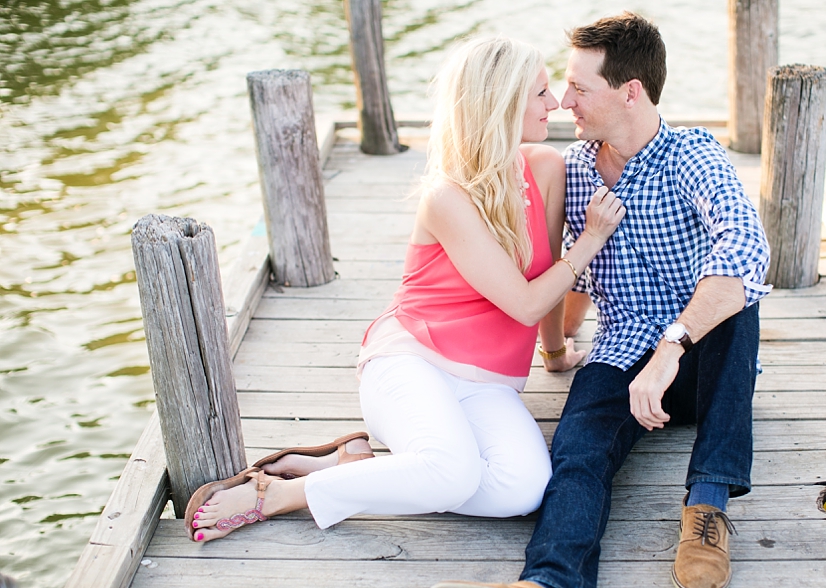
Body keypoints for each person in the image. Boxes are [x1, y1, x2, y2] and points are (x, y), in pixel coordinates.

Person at [182, 36, 626, 544]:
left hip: (489, 384)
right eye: (541, 93)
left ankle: (349, 462)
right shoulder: (446, 197)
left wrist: (553, 353)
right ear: (501, 104)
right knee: (452, 473)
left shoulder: (545, 169)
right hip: (413, 361)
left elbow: (541, 280)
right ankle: (278, 493)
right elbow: (524, 303)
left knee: (523, 489)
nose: (555, 104)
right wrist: (590, 240)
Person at [425, 12, 771, 588]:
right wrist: (556, 350)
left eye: (580, 87)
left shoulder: (695, 155)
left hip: (699, 359)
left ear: (630, 90)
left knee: (738, 294)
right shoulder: (573, 167)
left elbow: (746, 248)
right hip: (617, 351)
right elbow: (565, 271)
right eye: (561, 87)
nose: (564, 99)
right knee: (576, 452)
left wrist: (671, 348)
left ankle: (708, 506)